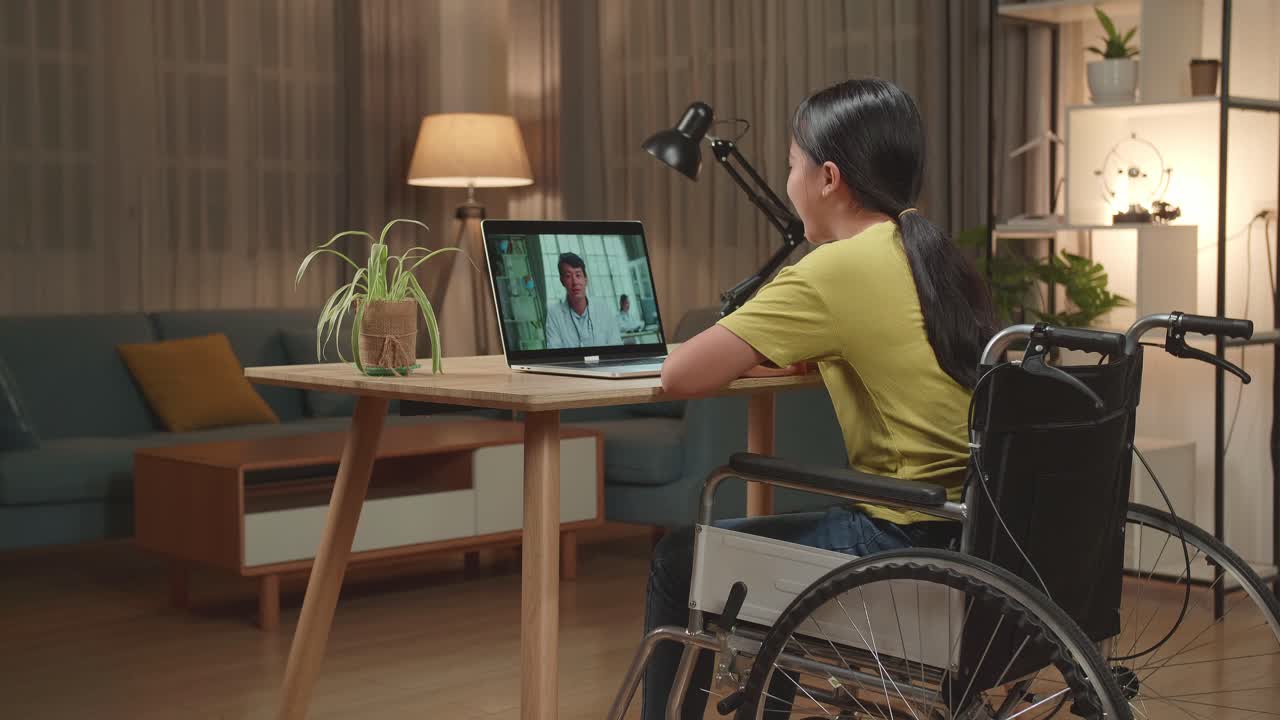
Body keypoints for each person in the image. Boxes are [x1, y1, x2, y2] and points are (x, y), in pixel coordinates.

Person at [641, 78, 997, 719]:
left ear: (828, 177)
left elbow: (679, 376)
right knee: (773, 557)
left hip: (898, 541)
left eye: (789, 164)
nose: (788, 180)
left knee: (676, 558)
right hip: (968, 535)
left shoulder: (834, 267)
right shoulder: (927, 252)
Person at [544, 251, 623, 349]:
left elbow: (616, 345)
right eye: (568, 276)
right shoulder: (554, 314)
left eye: (578, 275)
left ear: (586, 279)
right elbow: (554, 351)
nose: (575, 282)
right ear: (562, 281)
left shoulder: (603, 308)